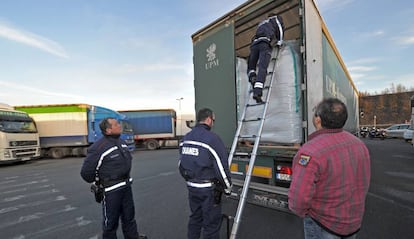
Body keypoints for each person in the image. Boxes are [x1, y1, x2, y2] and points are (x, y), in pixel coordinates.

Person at [288, 98, 371, 239]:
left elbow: (299, 199)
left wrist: (304, 212)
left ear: (318, 120)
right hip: (353, 223)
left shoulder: (310, 151)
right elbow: (363, 182)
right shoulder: (359, 144)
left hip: (323, 225)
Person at [80, 117, 147, 239]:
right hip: (111, 191)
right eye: (116, 124)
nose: (119, 126)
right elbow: (86, 173)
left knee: (129, 217)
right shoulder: (98, 148)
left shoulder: (121, 142)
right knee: (110, 222)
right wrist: (99, 181)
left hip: (126, 186)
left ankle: (132, 237)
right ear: (108, 130)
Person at [178, 108, 232, 239]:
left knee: (195, 219)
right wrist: (227, 187)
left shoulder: (186, 138)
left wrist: (190, 179)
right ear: (208, 119)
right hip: (208, 190)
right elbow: (221, 166)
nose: (213, 123)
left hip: (192, 187)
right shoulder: (212, 139)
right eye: (213, 120)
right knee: (211, 225)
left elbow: (181, 164)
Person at [247, 14, 284, 103]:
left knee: (251, 67)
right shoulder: (275, 18)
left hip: (254, 45)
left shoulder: (261, 23)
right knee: (262, 68)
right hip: (264, 43)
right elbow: (280, 28)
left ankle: (253, 78)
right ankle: (257, 92)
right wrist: (280, 41)